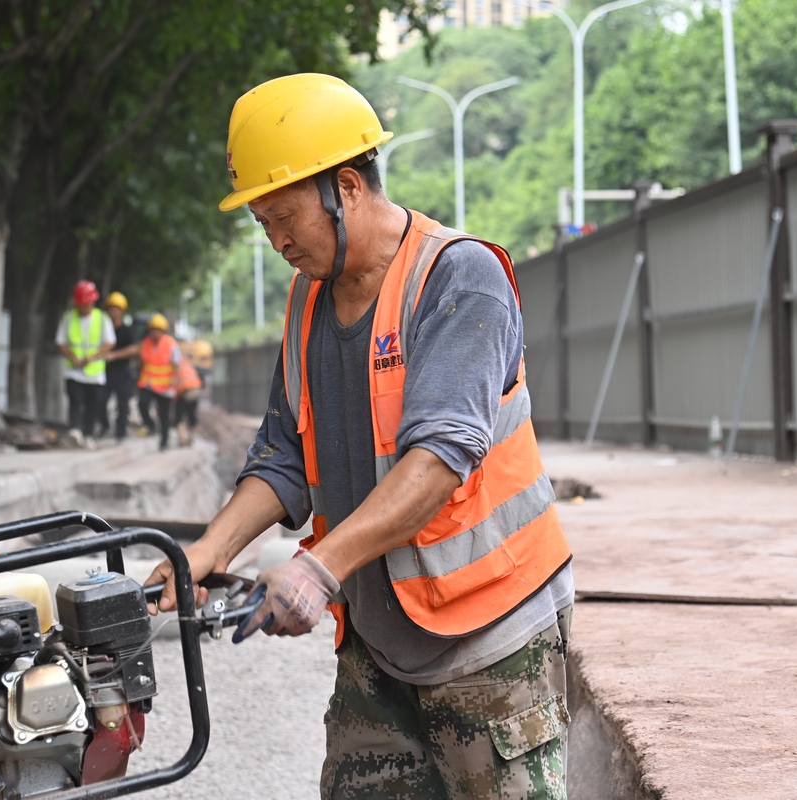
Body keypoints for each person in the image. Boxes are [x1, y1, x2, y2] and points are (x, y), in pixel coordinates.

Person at [146, 74, 574, 799]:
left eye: (284, 215)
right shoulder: (308, 299)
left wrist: (316, 569)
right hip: (378, 643)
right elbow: (283, 455)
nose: (277, 239)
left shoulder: (457, 277)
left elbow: (439, 459)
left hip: (490, 645)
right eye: (262, 222)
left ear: (346, 187)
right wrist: (203, 555)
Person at [55, 280, 114, 445]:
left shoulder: (102, 319)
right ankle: (75, 430)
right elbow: (61, 342)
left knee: (92, 405)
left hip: (95, 373)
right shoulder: (68, 319)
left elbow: (109, 343)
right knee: (75, 401)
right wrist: (72, 357)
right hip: (74, 371)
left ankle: (88, 434)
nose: (84, 307)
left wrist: (93, 357)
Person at [99, 291, 140, 442]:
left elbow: (134, 349)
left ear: (122, 311)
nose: (113, 312)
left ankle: (121, 432)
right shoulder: (102, 329)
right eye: (110, 309)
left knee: (123, 405)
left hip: (122, 373)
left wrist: (114, 355)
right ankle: (104, 426)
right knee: (100, 401)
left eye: (116, 309)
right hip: (104, 373)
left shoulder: (127, 330)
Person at [135, 312, 179, 451]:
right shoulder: (145, 343)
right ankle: (151, 425)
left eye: (156, 330)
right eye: (152, 330)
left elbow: (176, 363)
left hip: (165, 386)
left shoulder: (171, 344)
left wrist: (174, 379)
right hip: (147, 382)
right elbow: (141, 362)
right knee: (142, 404)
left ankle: (164, 442)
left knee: (164, 415)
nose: (154, 333)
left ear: (162, 331)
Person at [173, 353, 203, 447]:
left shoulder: (175, 367)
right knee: (192, 415)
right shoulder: (187, 364)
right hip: (196, 390)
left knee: (179, 416)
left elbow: (176, 385)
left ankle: (183, 440)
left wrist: (175, 398)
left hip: (185, 391)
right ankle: (191, 439)